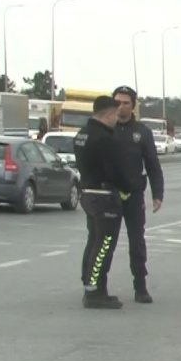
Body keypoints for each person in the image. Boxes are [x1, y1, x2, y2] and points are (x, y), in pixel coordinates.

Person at [74, 96, 138, 310]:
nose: (116, 120)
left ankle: (90, 285)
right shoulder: (104, 138)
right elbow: (114, 171)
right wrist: (128, 187)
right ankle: (95, 291)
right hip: (104, 195)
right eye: (115, 115)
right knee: (104, 246)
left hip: (87, 192)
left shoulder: (82, 134)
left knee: (93, 241)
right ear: (108, 114)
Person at [109, 86, 165, 304]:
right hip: (108, 196)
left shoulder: (142, 132)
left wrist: (157, 193)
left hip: (133, 196)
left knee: (137, 241)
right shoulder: (106, 128)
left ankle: (140, 286)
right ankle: (96, 284)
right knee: (104, 242)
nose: (120, 106)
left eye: (125, 103)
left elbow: (152, 165)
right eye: (117, 102)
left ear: (133, 106)